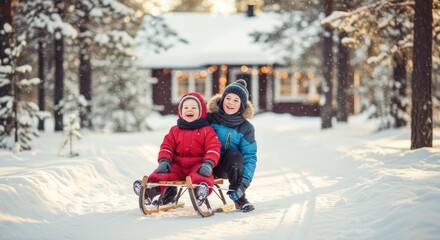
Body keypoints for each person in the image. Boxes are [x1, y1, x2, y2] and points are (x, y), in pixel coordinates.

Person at [145, 92, 221, 206]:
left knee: (201, 175)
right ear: (180, 112)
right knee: (163, 172)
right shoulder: (175, 130)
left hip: (198, 165)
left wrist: (209, 163)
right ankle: (151, 190)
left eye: (194, 108)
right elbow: (167, 146)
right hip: (178, 166)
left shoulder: (207, 130)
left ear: (201, 112)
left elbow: (213, 148)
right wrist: (164, 160)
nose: (189, 110)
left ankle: (199, 191)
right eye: (186, 107)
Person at [207, 79, 257, 212]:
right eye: (228, 98)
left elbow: (249, 156)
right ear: (222, 99)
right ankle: (168, 194)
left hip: (225, 167)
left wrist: (245, 181)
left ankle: (240, 199)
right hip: (203, 163)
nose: (230, 102)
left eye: (236, 100)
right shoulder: (209, 118)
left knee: (235, 156)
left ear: (242, 105)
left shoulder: (246, 128)